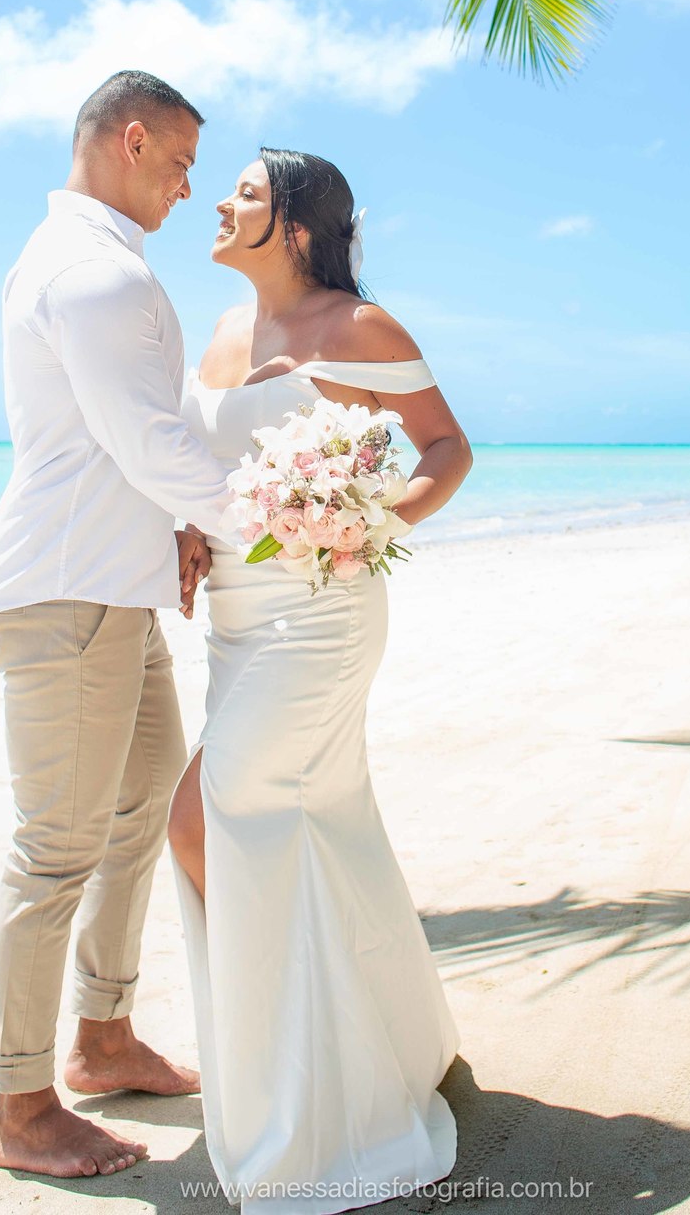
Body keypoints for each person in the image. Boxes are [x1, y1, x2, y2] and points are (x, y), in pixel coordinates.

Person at [169, 147, 473, 1215]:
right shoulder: (216, 334)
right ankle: (390, 1041)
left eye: (245, 193)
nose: (221, 201)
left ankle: (306, 1090)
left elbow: (444, 448)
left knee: (204, 822)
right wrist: (188, 528)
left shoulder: (358, 330)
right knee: (318, 821)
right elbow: (211, 469)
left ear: (296, 225)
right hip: (238, 626)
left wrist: (365, 520)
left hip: (324, 612)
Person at [0, 70, 231, 1179]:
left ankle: (104, 1033)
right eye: (178, 164)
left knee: (145, 813)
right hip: (68, 595)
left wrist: (181, 521)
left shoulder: (94, 264)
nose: (186, 190)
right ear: (132, 141)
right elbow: (147, 443)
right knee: (58, 852)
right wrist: (286, 534)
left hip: (112, 592)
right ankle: (19, 1108)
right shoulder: (88, 273)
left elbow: (129, 442)